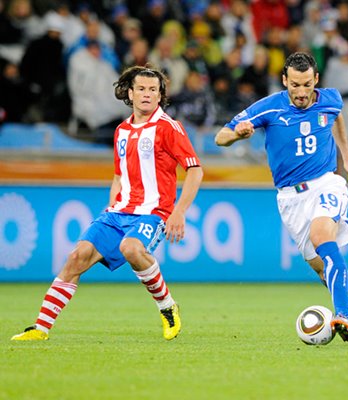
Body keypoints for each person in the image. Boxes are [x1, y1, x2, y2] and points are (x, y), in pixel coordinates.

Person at [11, 65, 204, 341]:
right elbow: (118, 175)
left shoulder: (169, 128)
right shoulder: (121, 131)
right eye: (141, 89)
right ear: (130, 93)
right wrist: (111, 205)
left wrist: (179, 211)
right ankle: (40, 329)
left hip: (153, 212)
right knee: (76, 257)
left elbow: (195, 170)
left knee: (131, 248)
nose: (147, 95)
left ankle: (167, 307)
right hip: (118, 212)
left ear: (160, 96)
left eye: (153, 90)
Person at [215, 52, 348, 344]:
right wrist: (237, 136)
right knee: (324, 271)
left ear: (316, 80)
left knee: (323, 236)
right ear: (285, 81)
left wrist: (346, 157)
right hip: (290, 200)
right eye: (294, 85)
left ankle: (342, 316)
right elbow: (221, 136)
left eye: (307, 84)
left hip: (326, 184)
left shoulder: (330, 99)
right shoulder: (268, 107)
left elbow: (337, 120)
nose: (301, 92)